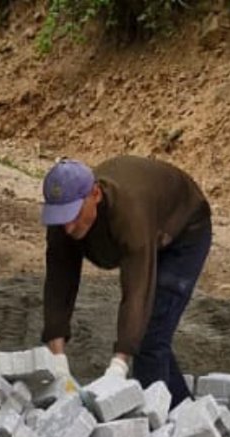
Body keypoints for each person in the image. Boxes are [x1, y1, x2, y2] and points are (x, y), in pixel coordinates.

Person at [39, 156, 212, 404]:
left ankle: (163, 427)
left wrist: (117, 368)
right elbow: (59, 280)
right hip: (151, 222)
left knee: (150, 338)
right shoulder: (63, 217)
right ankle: (187, 412)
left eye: (73, 215)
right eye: (60, 217)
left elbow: (136, 291)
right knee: (151, 340)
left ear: (95, 194)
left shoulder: (130, 214)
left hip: (185, 229)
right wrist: (57, 360)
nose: (68, 227)